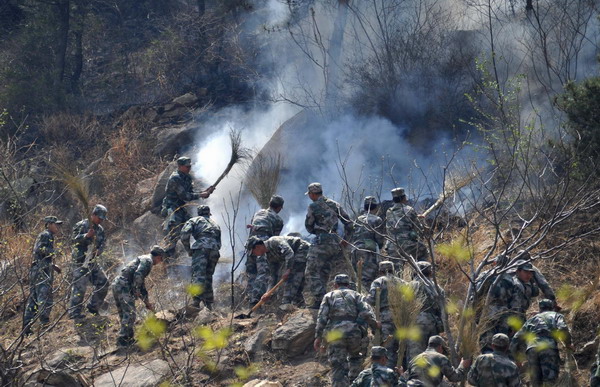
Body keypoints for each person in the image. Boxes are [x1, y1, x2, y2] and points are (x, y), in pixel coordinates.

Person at [314, 274, 380, 387]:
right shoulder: (357, 295)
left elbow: (322, 318)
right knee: (356, 361)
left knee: (338, 366)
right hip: (354, 334)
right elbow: (366, 312)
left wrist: (318, 337)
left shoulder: (329, 296)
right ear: (348, 285)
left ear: (335, 285)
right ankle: (355, 383)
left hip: (336, 335)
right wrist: (374, 326)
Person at [304, 183, 353, 309]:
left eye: (309, 194)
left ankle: (320, 300)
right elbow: (349, 223)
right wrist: (345, 240)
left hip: (321, 242)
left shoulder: (313, 206)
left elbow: (308, 225)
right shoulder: (334, 204)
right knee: (325, 271)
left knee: (311, 271)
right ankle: (324, 300)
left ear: (313, 194)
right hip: (335, 243)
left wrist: (317, 231)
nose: (309, 196)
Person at [510, 299, 573, 386]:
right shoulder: (557, 315)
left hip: (531, 350)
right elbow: (562, 328)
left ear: (540, 308)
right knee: (549, 381)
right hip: (548, 348)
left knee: (535, 382)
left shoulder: (531, 320)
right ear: (552, 307)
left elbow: (516, 338)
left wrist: (516, 359)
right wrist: (567, 343)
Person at [112, 245, 165, 347]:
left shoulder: (143, 259)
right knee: (130, 313)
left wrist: (147, 303)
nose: (160, 262)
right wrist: (136, 289)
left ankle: (128, 339)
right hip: (124, 285)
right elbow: (138, 275)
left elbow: (142, 286)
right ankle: (123, 340)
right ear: (158, 256)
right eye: (161, 259)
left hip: (118, 283)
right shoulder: (148, 261)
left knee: (124, 313)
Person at [481, 260, 540, 352]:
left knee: (488, 342)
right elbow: (515, 306)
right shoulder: (511, 281)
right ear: (517, 271)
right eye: (526, 272)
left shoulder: (485, 275)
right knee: (502, 343)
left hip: (487, 314)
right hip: (501, 315)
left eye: (530, 273)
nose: (528, 275)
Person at [161, 156, 214, 258]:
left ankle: (200, 249)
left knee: (193, 226)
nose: (189, 168)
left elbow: (191, 192)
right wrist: (201, 194)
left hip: (180, 207)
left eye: (190, 166)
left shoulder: (187, 177)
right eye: (187, 166)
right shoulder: (175, 178)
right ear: (180, 166)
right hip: (172, 208)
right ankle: (167, 257)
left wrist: (205, 191)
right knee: (173, 233)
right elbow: (185, 196)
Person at [23, 216, 63, 335]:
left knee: (34, 299)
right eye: (56, 224)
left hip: (38, 269)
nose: (58, 227)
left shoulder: (47, 235)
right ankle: (44, 324)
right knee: (44, 296)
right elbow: (40, 250)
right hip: (41, 271)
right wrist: (55, 252)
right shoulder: (46, 235)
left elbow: (41, 255)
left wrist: (53, 265)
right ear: (49, 224)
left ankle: (27, 328)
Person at [69, 204, 109, 321]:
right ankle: (74, 313)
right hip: (80, 262)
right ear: (94, 215)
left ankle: (93, 308)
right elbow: (73, 240)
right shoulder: (81, 225)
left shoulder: (100, 230)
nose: (101, 220)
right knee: (79, 288)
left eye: (102, 218)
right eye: (99, 217)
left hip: (92, 262)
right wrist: (86, 236)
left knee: (103, 282)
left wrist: (99, 251)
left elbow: (103, 244)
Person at [247, 233, 309, 306]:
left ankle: (286, 303)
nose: (254, 255)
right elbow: (273, 276)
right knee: (295, 285)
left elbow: (289, 253)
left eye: (253, 252)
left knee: (291, 278)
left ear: (257, 247)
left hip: (302, 249)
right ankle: (300, 305)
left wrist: (288, 270)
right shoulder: (268, 257)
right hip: (294, 257)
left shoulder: (274, 241)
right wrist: (268, 293)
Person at [245, 195, 284, 307]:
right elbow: (274, 239)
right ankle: (255, 300)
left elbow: (253, 228)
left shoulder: (259, 213)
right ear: (279, 207)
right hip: (262, 246)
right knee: (263, 273)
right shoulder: (278, 220)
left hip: (251, 244)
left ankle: (248, 297)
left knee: (251, 273)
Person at [180, 205, 221, 310]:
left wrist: (188, 250)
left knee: (198, 275)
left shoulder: (194, 220)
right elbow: (219, 243)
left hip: (201, 249)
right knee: (208, 276)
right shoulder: (215, 224)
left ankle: (196, 302)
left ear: (199, 213)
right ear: (208, 213)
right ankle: (208, 304)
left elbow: (184, 235)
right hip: (214, 251)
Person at [367, 260, 403, 368]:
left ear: (380, 271)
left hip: (385, 318)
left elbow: (371, 300)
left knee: (388, 348)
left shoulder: (378, 282)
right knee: (401, 348)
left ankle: (389, 374)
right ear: (393, 270)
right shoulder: (402, 282)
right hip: (402, 317)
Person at [407, 261, 445, 362]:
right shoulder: (437, 288)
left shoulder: (411, 286)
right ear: (430, 272)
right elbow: (443, 310)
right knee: (432, 354)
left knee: (415, 355)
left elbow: (403, 306)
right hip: (433, 323)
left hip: (416, 323)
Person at [384, 187, 428, 273]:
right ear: (404, 198)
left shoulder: (389, 211)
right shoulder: (409, 209)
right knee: (423, 250)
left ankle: (397, 283)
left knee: (397, 270)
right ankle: (419, 276)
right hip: (408, 245)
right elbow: (418, 228)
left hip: (392, 246)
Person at [406, 335, 470, 386]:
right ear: (440, 347)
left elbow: (405, 377)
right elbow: (454, 377)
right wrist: (462, 366)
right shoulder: (441, 358)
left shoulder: (415, 359)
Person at [350, 196, 385, 290]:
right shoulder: (377, 220)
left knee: (358, 277)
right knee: (368, 279)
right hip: (368, 250)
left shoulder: (357, 219)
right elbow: (379, 239)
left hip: (355, 249)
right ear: (376, 207)